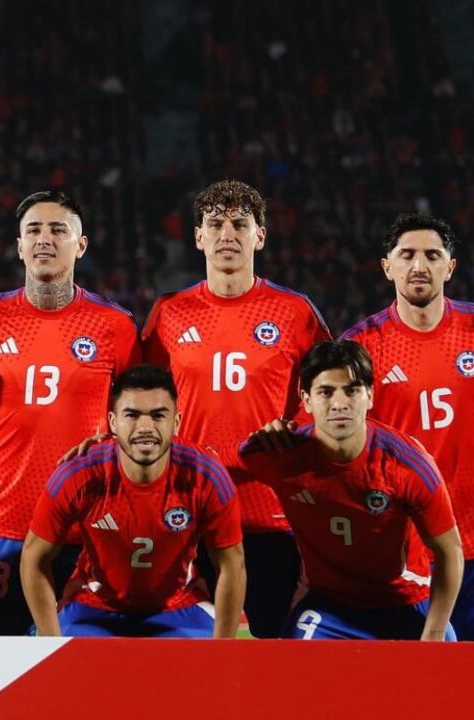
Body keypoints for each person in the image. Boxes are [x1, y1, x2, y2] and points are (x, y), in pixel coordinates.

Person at [0, 190, 140, 635]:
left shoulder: (115, 326)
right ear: (20, 245)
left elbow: (140, 415)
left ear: (80, 245)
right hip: (7, 524)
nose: (45, 239)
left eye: (58, 230)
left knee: (84, 676)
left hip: (90, 529)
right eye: (34, 230)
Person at [140, 179, 330, 638]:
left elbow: (330, 395)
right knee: (188, 654)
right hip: (187, 510)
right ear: (199, 236)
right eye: (216, 224)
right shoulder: (169, 313)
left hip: (272, 514)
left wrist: (293, 436)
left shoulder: (295, 312)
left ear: (260, 236)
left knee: (271, 653)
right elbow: (142, 404)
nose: (227, 234)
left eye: (240, 224)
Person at [219, 340, 462, 640]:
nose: (339, 403)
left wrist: (434, 635)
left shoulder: (407, 465)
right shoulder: (278, 453)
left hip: (405, 602)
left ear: (370, 396)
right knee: (288, 675)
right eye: (325, 392)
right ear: (305, 400)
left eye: (352, 390)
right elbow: (207, 468)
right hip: (331, 608)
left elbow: (450, 552)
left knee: (443, 670)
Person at [342, 214, 474, 641]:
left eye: (432, 255)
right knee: (418, 686)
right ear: (386, 266)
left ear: (450, 267)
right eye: (406, 255)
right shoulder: (360, 347)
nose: (419, 266)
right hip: (403, 547)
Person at [22, 365, 245, 638]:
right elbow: (33, 558)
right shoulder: (77, 475)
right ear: (113, 422)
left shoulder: (207, 476)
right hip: (93, 608)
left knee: (201, 676)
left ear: (176, 422)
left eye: (158, 415)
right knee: (71, 674)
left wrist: (223, 651)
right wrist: (50, 640)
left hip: (179, 608)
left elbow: (232, 565)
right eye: (132, 415)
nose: (145, 427)